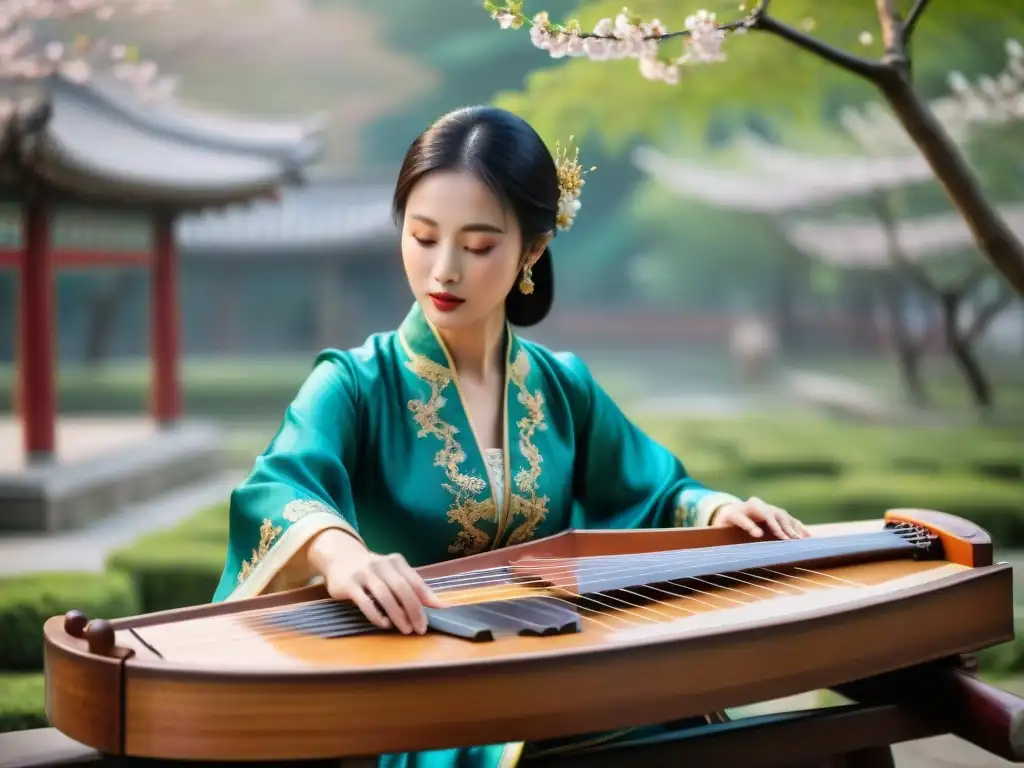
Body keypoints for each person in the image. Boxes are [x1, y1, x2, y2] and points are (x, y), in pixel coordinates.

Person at [212, 105, 811, 768]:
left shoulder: (561, 385)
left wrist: (723, 511)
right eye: (422, 236)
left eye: (476, 246)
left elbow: (656, 487)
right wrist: (341, 555)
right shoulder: (355, 384)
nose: (443, 270)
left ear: (532, 249)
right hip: (416, 690)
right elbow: (277, 487)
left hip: (555, 671)